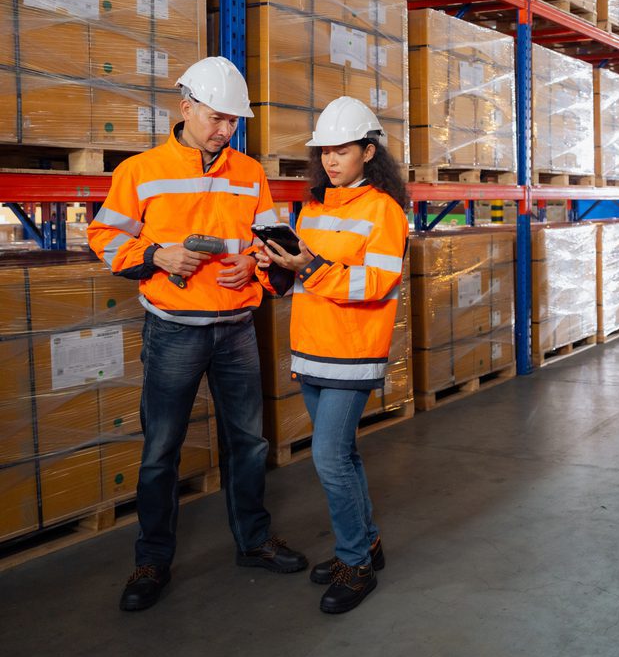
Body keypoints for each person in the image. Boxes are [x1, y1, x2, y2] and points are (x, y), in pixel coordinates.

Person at [87, 57, 308, 612]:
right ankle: (152, 559)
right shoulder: (141, 171)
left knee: (249, 443)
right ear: (185, 107)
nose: (224, 129)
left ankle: (254, 541)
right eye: (215, 117)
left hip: (236, 329)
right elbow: (105, 238)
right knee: (161, 450)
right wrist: (157, 254)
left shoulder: (250, 174)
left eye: (233, 121)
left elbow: (273, 243)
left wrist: (253, 267)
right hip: (173, 332)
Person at [255, 96, 409, 615]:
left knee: (328, 459)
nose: (331, 160)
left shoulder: (383, 211)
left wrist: (309, 265)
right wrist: (274, 264)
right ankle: (366, 543)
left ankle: (354, 565)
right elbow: (300, 278)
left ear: (369, 151)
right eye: (325, 152)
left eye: (342, 150)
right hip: (313, 348)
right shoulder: (314, 208)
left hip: (352, 350)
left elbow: (376, 282)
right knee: (342, 455)